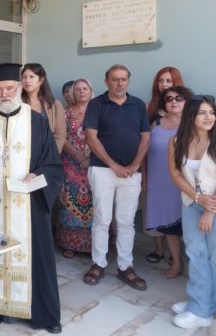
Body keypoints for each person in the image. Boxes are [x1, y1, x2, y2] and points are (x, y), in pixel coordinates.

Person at [0, 63, 64, 334]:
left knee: (36, 258)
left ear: (19, 88)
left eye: (9, 88)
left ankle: (44, 314)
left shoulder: (37, 121)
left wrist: (38, 175)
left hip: (29, 206)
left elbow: (53, 164)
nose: (4, 93)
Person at [82, 64, 150, 291]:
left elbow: (145, 137)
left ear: (128, 81)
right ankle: (98, 263)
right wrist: (114, 165)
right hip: (103, 170)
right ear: (106, 81)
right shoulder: (96, 104)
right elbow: (91, 138)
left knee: (126, 221)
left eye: (123, 79)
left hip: (131, 172)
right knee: (102, 219)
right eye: (115, 79)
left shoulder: (138, 105)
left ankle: (125, 266)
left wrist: (135, 165)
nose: (119, 83)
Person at [168, 94, 216, 329]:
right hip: (191, 203)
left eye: (212, 112)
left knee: (214, 257)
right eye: (202, 113)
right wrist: (197, 198)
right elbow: (176, 174)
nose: (209, 117)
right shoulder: (177, 141)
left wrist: (209, 210)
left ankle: (204, 309)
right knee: (196, 254)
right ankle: (201, 303)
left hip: (213, 206)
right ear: (191, 116)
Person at [145, 86, 192, 279]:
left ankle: (196, 266)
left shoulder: (193, 124)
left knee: (190, 224)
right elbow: (145, 152)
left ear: (187, 102)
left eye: (178, 98)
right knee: (169, 225)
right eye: (169, 98)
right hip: (159, 182)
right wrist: (144, 178)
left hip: (186, 183)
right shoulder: (155, 124)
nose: (173, 101)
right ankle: (177, 262)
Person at [58, 78, 93, 258]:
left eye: (85, 88)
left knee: (94, 203)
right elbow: (60, 136)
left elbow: (104, 135)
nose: (81, 92)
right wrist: (77, 154)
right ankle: (69, 244)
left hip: (93, 163)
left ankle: (91, 244)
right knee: (69, 202)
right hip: (69, 165)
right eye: (78, 89)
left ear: (90, 91)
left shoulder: (97, 111)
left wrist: (89, 157)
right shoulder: (64, 113)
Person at [21, 63, 66, 152]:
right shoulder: (17, 103)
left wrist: (52, 154)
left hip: (47, 152)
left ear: (41, 80)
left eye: (31, 77)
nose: (27, 80)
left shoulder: (54, 104)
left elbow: (60, 134)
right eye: (24, 77)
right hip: (21, 151)